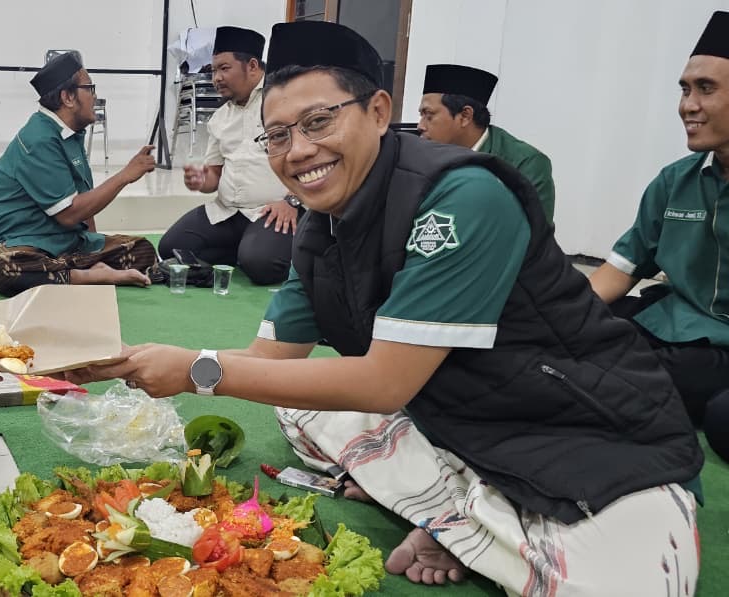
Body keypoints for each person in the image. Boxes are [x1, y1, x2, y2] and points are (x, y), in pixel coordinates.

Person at [72, 20, 702, 595]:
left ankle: (465, 521)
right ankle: (473, 518)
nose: (297, 152)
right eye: (279, 135)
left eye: (319, 122)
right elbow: (266, 360)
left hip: (584, 432)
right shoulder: (323, 224)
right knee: (297, 408)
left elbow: (382, 383)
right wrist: (128, 362)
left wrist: (198, 369)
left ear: (378, 111)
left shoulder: (463, 196)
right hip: (459, 420)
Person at [589, 10, 729, 463]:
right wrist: (552, 316)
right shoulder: (676, 180)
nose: (687, 105)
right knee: (587, 342)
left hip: (715, 350)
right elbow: (617, 272)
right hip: (674, 328)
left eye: (706, 88)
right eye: (685, 89)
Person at [0, 51, 160, 297]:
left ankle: (75, 271)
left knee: (142, 250)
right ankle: (86, 275)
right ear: (68, 97)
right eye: (90, 88)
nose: (95, 96)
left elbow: (86, 207)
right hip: (19, 242)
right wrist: (125, 176)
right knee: (7, 269)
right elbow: (69, 213)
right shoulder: (39, 139)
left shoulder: (71, 134)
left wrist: (95, 250)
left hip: (65, 244)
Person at [160, 26, 296, 285]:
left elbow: (310, 159)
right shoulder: (220, 117)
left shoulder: (284, 104)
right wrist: (201, 180)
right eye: (213, 71)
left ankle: (261, 250)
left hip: (272, 211)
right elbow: (214, 174)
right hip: (227, 212)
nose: (216, 78)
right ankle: (247, 249)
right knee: (172, 248)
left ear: (253, 66)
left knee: (263, 266)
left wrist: (293, 202)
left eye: (224, 68)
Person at [417, 64, 556, 223]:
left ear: (465, 116)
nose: (420, 125)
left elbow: (535, 237)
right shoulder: (421, 158)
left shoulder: (525, 164)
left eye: (428, 115)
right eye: (421, 115)